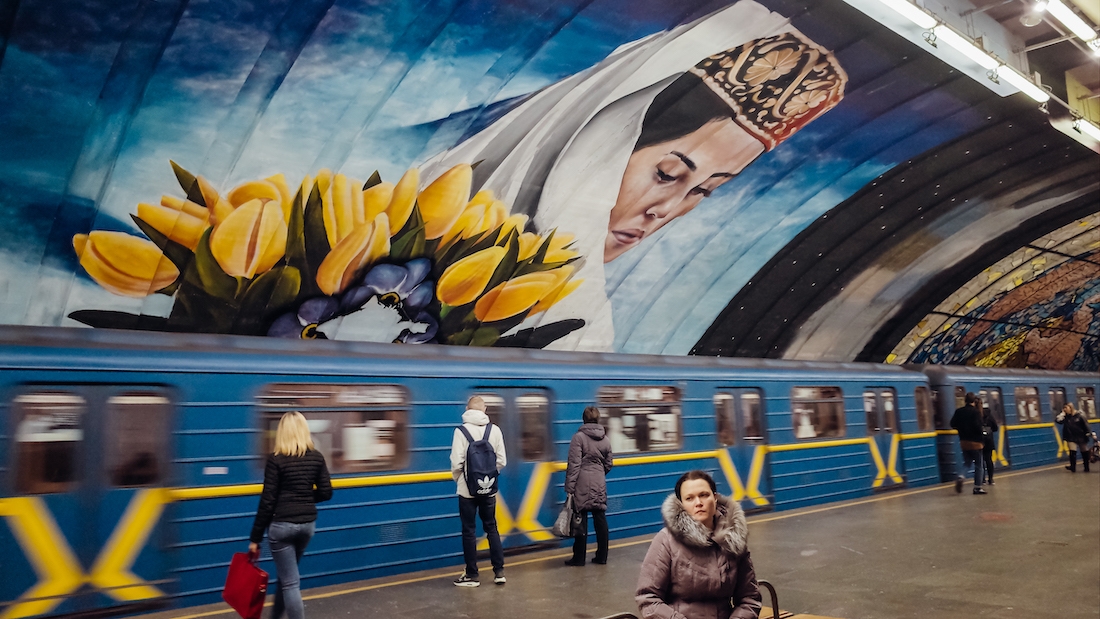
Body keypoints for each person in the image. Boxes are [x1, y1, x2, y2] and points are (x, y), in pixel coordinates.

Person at [422, 1, 847, 351]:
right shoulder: (407, 214)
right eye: (667, 174)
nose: (665, 211)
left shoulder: (582, 325)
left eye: (704, 191)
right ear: (600, 143)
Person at [636, 470, 761, 619]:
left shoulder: (733, 539)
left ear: (715, 498)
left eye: (704, 495)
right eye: (689, 498)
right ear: (681, 504)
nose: (698, 503)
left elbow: (750, 598)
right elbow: (647, 598)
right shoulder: (666, 540)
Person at [249, 412, 333, 619]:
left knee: (290, 582)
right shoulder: (316, 457)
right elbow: (326, 492)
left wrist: (255, 538)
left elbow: (268, 501)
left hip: (282, 527)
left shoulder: (276, 459)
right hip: (306, 526)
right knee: (288, 577)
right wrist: (303, 498)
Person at [451, 395, 507, 586]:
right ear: (484, 410)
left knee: (469, 531)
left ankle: (472, 575)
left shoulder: (461, 431)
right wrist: (489, 477)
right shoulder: (495, 430)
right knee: (491, 527)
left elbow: (456, 462)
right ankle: (499, 572)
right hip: (489, 490)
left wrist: (462, 479)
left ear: (468, 409)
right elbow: (501, 461)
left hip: (467, 491)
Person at [564, 406, 614, 566]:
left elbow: (574, 465)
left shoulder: (578, 438)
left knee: (580, 520)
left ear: (584, 419)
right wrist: (599, 474)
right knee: (600, 518)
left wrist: (570, 488)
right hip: (599, 483)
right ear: (598, 419)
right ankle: (602, 556)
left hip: (581, 484)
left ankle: (579, 558)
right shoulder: (605, 439)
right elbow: (609, 463)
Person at [950, 392, 986, 495]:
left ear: (965, 400)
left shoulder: (959, 411)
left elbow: (952, 424)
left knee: (967, 462)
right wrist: (982, 433)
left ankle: (961, 476)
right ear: (974, 401)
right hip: (976, 442)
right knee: (979, 465)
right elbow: (978, 427)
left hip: (964, 442)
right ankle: (977, 487)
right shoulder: (976, 412)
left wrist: (962, 429)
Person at [1056, 403, 1096, 473]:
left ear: (1071, 408)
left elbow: (1086, 425)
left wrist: (1089, 433)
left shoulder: (1080, 415)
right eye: (1064, 408)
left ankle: (1086, 467)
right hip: (1071, 437)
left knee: (1084, 451)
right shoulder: (1066, 417)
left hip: (1081, 436)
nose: (1065, 410)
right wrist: (1062, 414)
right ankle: (1073, 467)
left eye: (1066, 408)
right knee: (1072, 452)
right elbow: (1058, 421)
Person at [980, 405, 999, 485]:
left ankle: (982, 479)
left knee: (980, 461)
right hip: (989, 441)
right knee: (989, 460)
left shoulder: (977, 416)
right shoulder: (990, 416)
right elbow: (995, 428)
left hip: (979, 441)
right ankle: (990, 479)